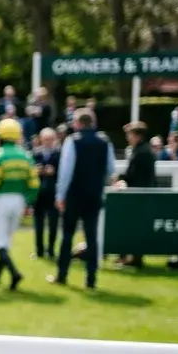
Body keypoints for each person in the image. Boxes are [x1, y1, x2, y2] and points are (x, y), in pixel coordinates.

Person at [51, 109, 114, 289]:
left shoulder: (72, 141)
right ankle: (91, 279)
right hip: (94, 194)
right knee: (92, 237)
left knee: (67, 236)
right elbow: (110, 169)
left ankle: (62, 275)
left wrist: (60, 195)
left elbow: (66, 171)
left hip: (74, 194)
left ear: (77, 123)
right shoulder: (105, 141)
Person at [0, 118, 39, 290]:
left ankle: (14, 273)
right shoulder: (26, 155)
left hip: (1, 199)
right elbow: (34, 183)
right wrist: (28, 201)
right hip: (19, 200)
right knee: (6, 240)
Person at [115, 120, 156, 269]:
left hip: (139, 195)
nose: (127, 137)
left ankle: (134, 258)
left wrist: (121, 180)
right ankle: (128, 256)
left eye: (130, 134)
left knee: (134, 226)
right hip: (140, 194)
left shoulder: (142, 152)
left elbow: (134, 175)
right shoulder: (141, 150)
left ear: (137, 135)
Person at [32, 127, 61, 260]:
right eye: (45, 139)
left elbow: (64, 174)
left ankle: (51, 250)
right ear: (41, 140)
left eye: (50, 139)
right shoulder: (35, 153)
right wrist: (36, 171)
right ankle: (39, 251)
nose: (48, 142)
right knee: (38, 223)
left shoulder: (59, 154)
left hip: (54, 193)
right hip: (39, 194)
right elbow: (30, 173)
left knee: (53, 223)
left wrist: (54, 172)